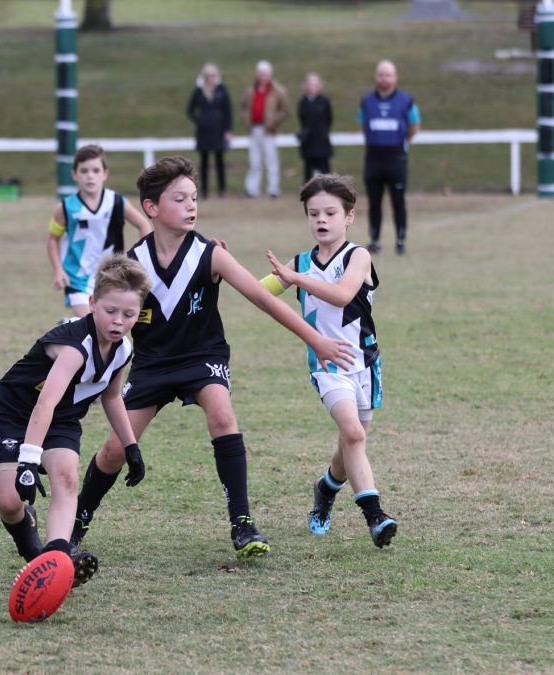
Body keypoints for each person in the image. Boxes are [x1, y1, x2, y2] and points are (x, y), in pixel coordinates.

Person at [69, 157, 354, 561]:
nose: (191, 206)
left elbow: (261, 299)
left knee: (222, 414)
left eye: (195, 198)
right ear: (151, 208)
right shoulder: (134, 265)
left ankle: (242, 523)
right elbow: (107, 320)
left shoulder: (211, 255)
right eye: (180, 199)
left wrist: (316, 339)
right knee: (116, 448)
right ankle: (77, 522)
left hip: (203, 356)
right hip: (152, 364)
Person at [0, 255, 151, 586]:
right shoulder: (76, 346)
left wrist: (130, 445)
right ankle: (33, 549)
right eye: (110, 311)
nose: (118, 321)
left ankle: (58, 559)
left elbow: (111, 395)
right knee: (9, 502)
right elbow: (44, 402)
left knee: (66, 479)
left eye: (128, 314)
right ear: (92, 304)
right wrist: (29, 462)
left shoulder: (122, 351)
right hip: (16, 413)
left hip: (62, 419)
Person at [263, 173, 398, 548]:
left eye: (330, 213)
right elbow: (259, 292)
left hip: (365, 362)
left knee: (351, 442)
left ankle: (325, 488)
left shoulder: (359, 256)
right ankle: (376, 518)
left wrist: (295, 278)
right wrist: (220, 264)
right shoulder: (301, 262)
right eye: (313, 213)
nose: (321, 220)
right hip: (326, 366)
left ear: (349, 217)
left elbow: (341, 295)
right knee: (353, 434)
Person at [47, 145, 151, 319]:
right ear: (74, 174)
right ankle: (74, 324)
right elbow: (52, 240)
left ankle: (70, 324)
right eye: (84, 171)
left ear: (105, 174)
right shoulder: (65, 208)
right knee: (92, 323)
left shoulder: (117, 202)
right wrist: (58, 270)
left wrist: (139, 260)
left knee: (107, 323)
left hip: (112, 276)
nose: (90, 176)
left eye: (96, 170)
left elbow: (143, 225)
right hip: (77, 278)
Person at [358, 59, 421, 255]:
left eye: (388, 74)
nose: (384, 78)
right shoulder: (366, 101)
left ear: (395, 77)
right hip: (374, 159)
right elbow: (363, 124)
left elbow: (414, 126)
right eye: (381, 74)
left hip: (396, 159)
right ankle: (374, 240)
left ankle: (400, 240)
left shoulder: (407, 101)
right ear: (376, 77)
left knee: (398, 201)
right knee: (374, 202)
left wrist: (402, 141)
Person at [242, 60, 290, 199]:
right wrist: (247, 119)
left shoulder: (278, 91)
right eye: (261, 73)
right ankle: (252, 190)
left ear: (270, 74)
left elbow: (285, 110)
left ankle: (273, 189)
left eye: (265, 73)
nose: (263, 76)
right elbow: (244, 108)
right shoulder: (250, 91)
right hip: (254, 129)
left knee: (271, 160)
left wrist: (274, 120)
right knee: (254, 161)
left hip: (269, 131)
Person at [186, 63, 233, 199]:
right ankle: (204, 191)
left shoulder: (222, 90)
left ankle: (222, 190)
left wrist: (228, 130)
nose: (211, 78)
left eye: (213, 75)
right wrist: (200, 119)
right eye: (208, 75)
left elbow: (228, 111)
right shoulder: (199, 91)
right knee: (204, 161)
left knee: (220, 161)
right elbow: (190, 110)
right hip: (204, 132)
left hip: (218, 131)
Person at [297, 72, 334, 182]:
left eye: (315, 84)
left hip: (321, 141)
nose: (312, 87)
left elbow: (329, 119)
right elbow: (302, 120)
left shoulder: (324, 101)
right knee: (308, 171)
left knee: (325, 171)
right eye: (310, 84)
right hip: (308, 142)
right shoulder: (303, 102)